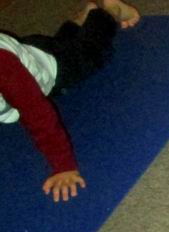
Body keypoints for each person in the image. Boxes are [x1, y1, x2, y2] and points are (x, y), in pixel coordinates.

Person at [0, 1, 141, 202]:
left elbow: (37, 113)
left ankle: (110, 10)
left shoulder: (4, 69)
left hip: (51, 69)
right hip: (32, 52)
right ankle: (82, 19)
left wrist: (63, 166)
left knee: (89, 53)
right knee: (63, 47)